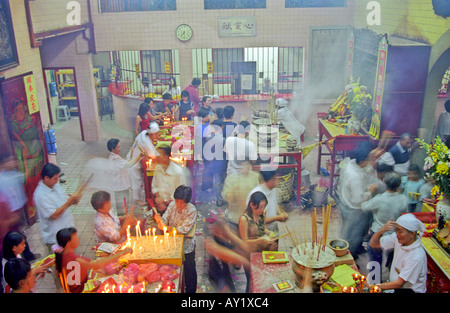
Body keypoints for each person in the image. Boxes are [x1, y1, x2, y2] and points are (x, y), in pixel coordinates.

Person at [54, 227, 132, 293]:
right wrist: (120, 254)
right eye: (75, 238)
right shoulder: (75, 260)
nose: (78, 239)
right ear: (68, 244)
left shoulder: (60, 256)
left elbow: (57, 274)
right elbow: (98, 265)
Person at [361, 172, 408, 280]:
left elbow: (364, 207)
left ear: (384, 183)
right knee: (394, 258)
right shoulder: (403, 199)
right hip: (395, 234)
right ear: (398, 185)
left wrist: (369, 193)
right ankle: (392, 278)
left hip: (378, 233)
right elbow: (404, 215)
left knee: (375, 260)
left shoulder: (380, 198)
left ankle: (375, 282)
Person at [337, 141, 378, 258]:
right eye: (370, 158)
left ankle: (358, 247)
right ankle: (351, 256)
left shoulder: (352, 163)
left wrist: (373, 159)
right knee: (352, 235)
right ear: (364, 160)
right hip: (353, 209)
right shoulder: (355, 177)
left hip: (347, 202)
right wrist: (370, 191)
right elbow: (357, 199)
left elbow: (366, 170)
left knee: (359, 232)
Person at [154, 185, 197, 293]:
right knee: (174, 268)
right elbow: (165, 219)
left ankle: (191, 291)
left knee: (189, 269)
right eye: (177, 201)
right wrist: (160, 221)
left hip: (186, 245)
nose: (179, 205)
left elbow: (184, 229)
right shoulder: (172, 205)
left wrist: (168, 229)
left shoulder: (191, 210)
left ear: (187, 201)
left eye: (182, 202)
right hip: (172, 243)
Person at [369, 214, 427, 293]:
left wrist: (373, 286)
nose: (397, 234)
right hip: (398, 287)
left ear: (412, 234)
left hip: (410, 291)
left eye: (400, 231)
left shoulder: (416, 256)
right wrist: (381, 231)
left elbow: (399, 283)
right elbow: (373, 244)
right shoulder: (399, 239)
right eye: (396, 230)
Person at [33, 163, 81, 254]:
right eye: (55, 178)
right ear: (46, 178)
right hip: (55, 238)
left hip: (67, 233)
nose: (57, 180)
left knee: (71, 262)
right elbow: (53, 215)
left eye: (58, 177)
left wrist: (73, 199)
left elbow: (64, 199)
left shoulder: (55, 185)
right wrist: (69, 202)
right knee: (60, 265)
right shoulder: (40, 195)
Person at [0, 153, 38, 262]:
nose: (13, 163)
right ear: (2, 164)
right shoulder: (1, 179)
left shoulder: (14, 174)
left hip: (17, 210)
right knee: (13, 238)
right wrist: (10, 217)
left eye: (13, 160)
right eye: (9, 161)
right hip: (8, 214)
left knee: (20, 235)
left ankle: (27, 255)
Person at [239, 191, 277, 292]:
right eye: (260, 207)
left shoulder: (262, 213)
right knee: (251, 281)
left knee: (263, 279)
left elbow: (263, 228)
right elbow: (244, 241)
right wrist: (260, 240)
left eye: (264, 207)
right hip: (248, 255)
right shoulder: (244, 219)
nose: (262, 210)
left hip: (261, 252)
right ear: (252, 205)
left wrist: (270, 234)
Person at [126, 122, 160, 206]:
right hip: (134, 162)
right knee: (136, 181)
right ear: (151, 134)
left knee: (139, 180)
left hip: (134, 158)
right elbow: (153, 156)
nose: (158, 135)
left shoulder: (144, 133)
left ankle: (139, 197)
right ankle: (137, 200)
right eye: (157, 134)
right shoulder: (146, 142)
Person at [152, 145, 188, 214]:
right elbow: (154, 186)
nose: (155, 157)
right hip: (161, 205)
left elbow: (181, 194)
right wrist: (158, 200)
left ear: (165, 156)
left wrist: (165, 202)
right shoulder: (158, 168)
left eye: (158, 155)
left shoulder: (178, 172)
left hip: (175, 206)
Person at [107, 138, 131, 215]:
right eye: (118, 147)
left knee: (121, 204)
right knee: (122, 204)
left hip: (118, 184)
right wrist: (139, 156)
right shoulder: (115, 158)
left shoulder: (113, 156)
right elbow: (128, 164)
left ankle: (123, 217)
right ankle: (123, 219)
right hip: (120, 185)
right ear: (112, 148)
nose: (119, 149)